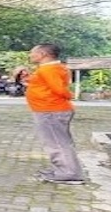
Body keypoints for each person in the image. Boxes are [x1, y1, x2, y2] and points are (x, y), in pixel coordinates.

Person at [26, 43, 85, 185]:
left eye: (32, 52)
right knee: (56, 141)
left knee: (57, 143)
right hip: (49, 109)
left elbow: (59, 89)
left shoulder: (49, 69)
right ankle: (61, 169)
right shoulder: (53, 68)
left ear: (42, 54)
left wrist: (68, 95)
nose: (30, 55)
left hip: (51, 110)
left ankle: (69, 173)